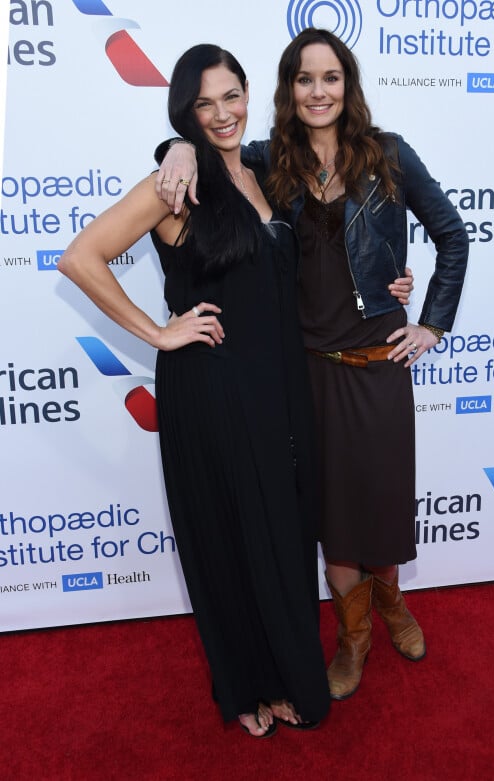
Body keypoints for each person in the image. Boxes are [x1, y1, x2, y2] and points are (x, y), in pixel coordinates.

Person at [155, 28, 469, 702]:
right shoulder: (272, 160)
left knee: (379, 507)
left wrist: (432, 321)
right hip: (307, 369)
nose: (318, 91)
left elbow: (452, 234)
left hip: (379, 363)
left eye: (331, 78)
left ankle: (392, 607)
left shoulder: (389, 155)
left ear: (348, 85)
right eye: (304, 79)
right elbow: (212, 151)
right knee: (329, 514)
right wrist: (175, 143)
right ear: (289, 89)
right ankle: (352, 636)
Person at [57, 43, 340, 738]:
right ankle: (248, 684)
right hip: (211, 389)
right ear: (184, 111)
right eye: (202, 104)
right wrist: (157, 332)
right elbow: (80, 256)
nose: (222, 114)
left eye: (231, 96)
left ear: (250, 96)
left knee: (281, 532)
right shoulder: (176, 186)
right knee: (227, 537)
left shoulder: (270, 169)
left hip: (277, 389)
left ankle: (283, 671)